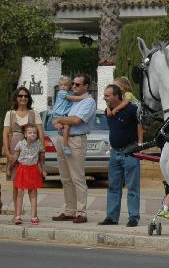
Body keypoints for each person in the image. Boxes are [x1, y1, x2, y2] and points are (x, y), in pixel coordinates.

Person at [50, 73, 96, 224]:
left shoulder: (88, 101)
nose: (73, 86)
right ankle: (70, 210)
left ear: (86, 86)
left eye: (77, 84)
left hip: (76, 140)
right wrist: (57, 121)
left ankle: (81, 212)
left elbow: (76, 120)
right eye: (73, 84)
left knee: (77, 178)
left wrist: (59, 119)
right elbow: (59, 117)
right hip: (62, 137)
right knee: (65, 178)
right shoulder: (73, 99)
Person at [98, 84, 143, 227]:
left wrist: (140, 144)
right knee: (113, 186)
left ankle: (133, 217)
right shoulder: (108, 111)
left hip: (130, 153)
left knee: (132, 187)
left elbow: (140, 124)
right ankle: (111, 217)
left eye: (107, 95)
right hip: (115, 153)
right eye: (104, 95)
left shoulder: (131, 110)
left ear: (117, 96)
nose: (104, 98)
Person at [3, 87, 43, 211]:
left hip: (31, 153)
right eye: (20, 96)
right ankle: (17, 213)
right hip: (15, 151)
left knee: (32, 184)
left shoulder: (34, 113)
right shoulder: (10, 114)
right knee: (16, 184)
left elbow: (41, 133)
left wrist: (42, 152)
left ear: (29, 98)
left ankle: (33, 214)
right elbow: (5, 133)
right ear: (16, 98)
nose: (23, 98)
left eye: (26, 96)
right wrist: (8, 153)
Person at [11, 123, 46, 225]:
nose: (33, 134)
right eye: (30, 132)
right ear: (25, 134)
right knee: (20, 193)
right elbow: (15, 158)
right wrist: (9, 167)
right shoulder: (20, 144)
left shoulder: (39, 144)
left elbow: (40, 160)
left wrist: (43, 170)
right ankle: (17, 216)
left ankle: (34, 216)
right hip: (22, 169)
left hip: (33, 170)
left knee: (33, 194)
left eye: (34, 133)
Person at [49, 76, 90, 156]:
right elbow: (72, 98)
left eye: (65, 85)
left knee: (63, 127)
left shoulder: (70, 92)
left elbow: (74, 95)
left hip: (64, 115)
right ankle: (65, 146)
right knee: (65, 126)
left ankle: (64, 144)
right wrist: (83, 97)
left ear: (69, 86)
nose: (63, 87)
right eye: (61, 85)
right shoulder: (61, 92)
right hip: (59, 114)